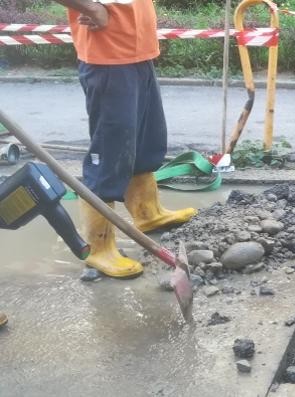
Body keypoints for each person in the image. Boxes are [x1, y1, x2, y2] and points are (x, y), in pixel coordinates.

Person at [60, 0, 196, 279]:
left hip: (137, 52)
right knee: (109, 154)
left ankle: (147, 213)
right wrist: (92, 7)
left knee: (145, 140)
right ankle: (99, 248)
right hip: (107, 56)